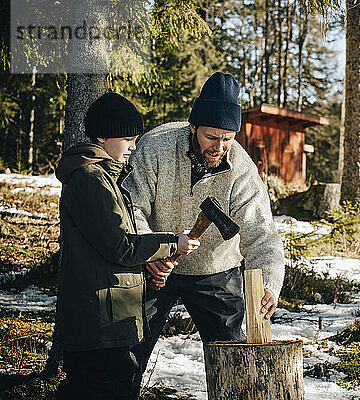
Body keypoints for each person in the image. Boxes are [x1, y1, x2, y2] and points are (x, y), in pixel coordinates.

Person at [125, 72, 285, 393]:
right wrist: (148, 252)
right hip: (158, 265)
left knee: (231, 358)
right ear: (193, 126)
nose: (220, 146)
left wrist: (268, 282)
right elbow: (132, 208)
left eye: (228, 138)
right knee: (128, 350)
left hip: (216, 271)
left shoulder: (240, 167)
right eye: (212, 136)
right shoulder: (156, 149)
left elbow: (260, 233)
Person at [54, 93, 200, 400]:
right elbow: (120, 246)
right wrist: (173, 243)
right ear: (103, 136)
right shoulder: (90, 180)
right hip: (98, 328)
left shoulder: (106, 179)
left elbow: (109, 252)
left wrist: (148, 273)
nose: (133, 147)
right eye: (128, 139)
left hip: (108, 323)